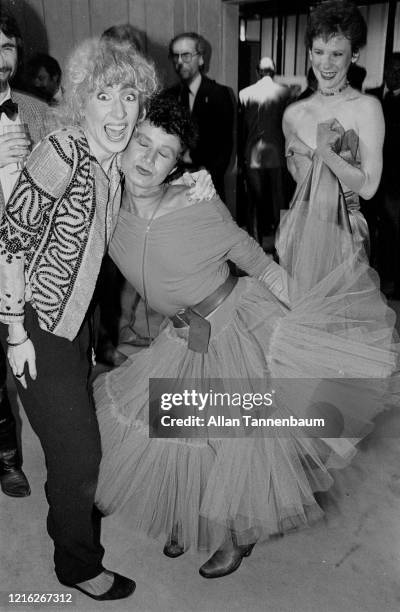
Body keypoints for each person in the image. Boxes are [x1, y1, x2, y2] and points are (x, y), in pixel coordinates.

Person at [93, 93, 398, 581]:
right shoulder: (106, 205)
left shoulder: (199, 205)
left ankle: (241, 530)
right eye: (142, 144)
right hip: (181, 334)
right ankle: (189, 512)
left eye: (164, 152)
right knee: (175, 423)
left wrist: (308, 317)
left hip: (235, 323)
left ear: (178, 164)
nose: (148, 159)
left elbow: (257, 261)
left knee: (236, 438)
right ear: (125, 142)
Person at [0, 36, 160, 601]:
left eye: (130, 97)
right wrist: (16, 331)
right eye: (103, 96)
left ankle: (69, 514)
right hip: (35, 321)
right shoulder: (64, 151)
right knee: (78, 451)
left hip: (75, 319)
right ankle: (76, 565)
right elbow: (10, 242)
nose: (118, 113)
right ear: (80, 101)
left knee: (76, 449)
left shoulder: (109, 163)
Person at [279, 0, 380, 271]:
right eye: (319, 51)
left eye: (336, 54)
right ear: (310, 53)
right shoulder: (293, 114)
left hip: (345, 237)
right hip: (300, 233)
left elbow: (369, 188)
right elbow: (300, 184)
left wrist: (327, 155)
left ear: (354, 54)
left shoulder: (366, 109)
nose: (326, 63)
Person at [0, 11, 50, 498]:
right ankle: (7, 459)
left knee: (36, 366)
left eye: (6, 47)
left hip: (27, 268)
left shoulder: (37, 112)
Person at [166, 32, 234, 199]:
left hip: (208, 184)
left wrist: (207, 177)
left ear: (201, 59)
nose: (180, 62)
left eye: (186, 55)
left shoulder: (220, 94)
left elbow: (224, 147)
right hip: (175, 186)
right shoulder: (168, 96)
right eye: (175, 56)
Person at [239, 56, 291, 243]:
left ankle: (256, 246)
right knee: (279, 201)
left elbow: (241, 129)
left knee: (254, 202)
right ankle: (281, 247)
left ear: (257, 71)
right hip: (277, 153)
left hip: (252, 153)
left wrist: (240, 158)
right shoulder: (285, 93)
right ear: (274, 71)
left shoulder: (244, 93)